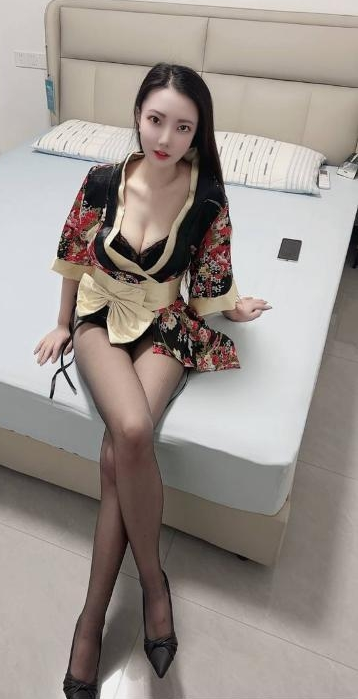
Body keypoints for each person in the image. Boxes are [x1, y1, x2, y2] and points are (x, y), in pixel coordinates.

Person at [33, 62, 272, 699]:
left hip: (166, 322)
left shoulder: (209, 196)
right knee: (132, 431)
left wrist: (231, 307)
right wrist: (62, 323)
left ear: (199, 133)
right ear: (138, 115)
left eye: (183, 127)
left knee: (124, 445)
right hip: (99, 314)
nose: (165, 138)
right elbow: (73, 256)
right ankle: (139, 591)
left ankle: (103, 614)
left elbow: (212, 273)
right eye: (155, 120)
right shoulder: (101, 179)